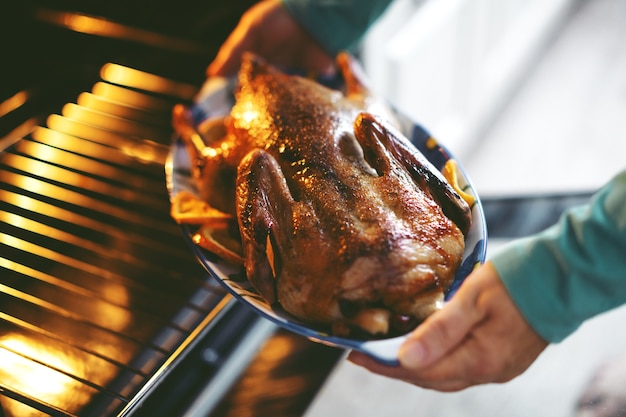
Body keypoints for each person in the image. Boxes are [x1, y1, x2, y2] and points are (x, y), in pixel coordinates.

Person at [208, 0, 626, 392]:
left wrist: (561, 275)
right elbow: (375, 125)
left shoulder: (242, 125)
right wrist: (321, 13)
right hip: (430, 253)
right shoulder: (351, 106)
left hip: (327, 289)